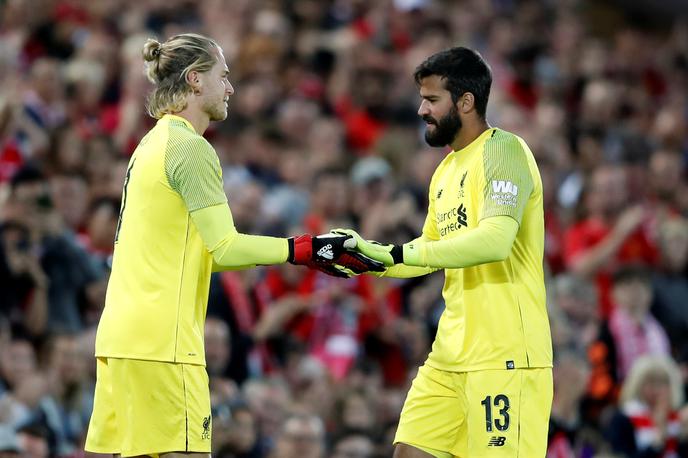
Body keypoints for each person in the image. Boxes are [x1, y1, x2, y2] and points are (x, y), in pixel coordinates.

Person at [84, 33, 383, 458]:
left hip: (120, 338)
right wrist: (305, 250)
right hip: (163, 342)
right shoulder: (191, 149)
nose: (230, 89)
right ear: (194, 80)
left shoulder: (149, 145)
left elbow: (196, 252)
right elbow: (225, 248)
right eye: (223, 77)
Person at [337, 47, 553, 457]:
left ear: (466, 102)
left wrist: (402, 257)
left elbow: (495, 241)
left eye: (432, 99)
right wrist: (367, 258)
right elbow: (426, 249)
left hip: (504, 359)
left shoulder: (504, 151)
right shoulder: (445, 171)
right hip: (449, 357)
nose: (421, 109)